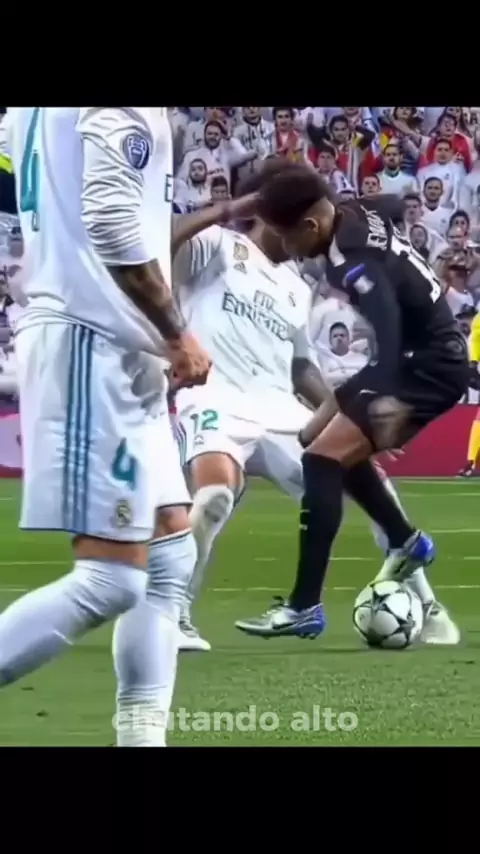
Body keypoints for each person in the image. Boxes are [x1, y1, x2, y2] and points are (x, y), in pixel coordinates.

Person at [4, 107, 210, 747]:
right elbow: (111, 218)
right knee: (111, 579)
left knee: (171, 555)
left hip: (118, 343)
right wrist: (177, 332)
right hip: (92, 341)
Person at [236, 163, 469, 640]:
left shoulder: (350, 260)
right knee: (315, 438)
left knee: (320, 459)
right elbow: (394, 203)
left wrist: (384, 398)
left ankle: (304, 606)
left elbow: (388, 327)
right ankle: (406, 541)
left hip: (424, 366)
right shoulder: (358, 210)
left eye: (288, 237)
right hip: (425, 357)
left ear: (311, 225)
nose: (289, 249)